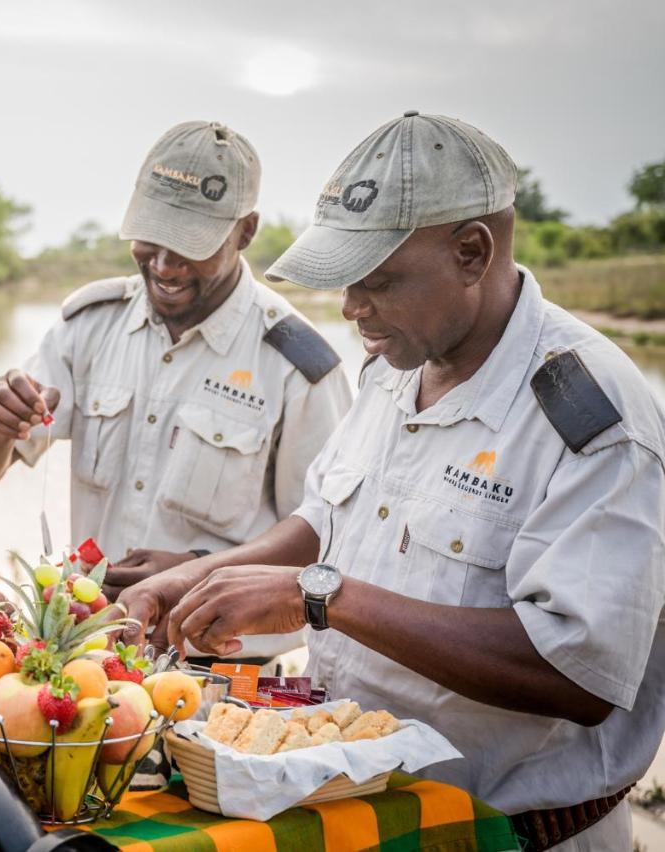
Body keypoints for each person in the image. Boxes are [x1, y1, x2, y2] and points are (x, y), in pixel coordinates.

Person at [120, 111, 665, 850]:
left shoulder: (591, 420)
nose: (350, 310)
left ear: (471, 252)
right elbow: (323, 522)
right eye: (345, 283)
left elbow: (577, 675)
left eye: (377, 281)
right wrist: (204, 577)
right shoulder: (393, 368)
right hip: (365, 820)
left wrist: (318, 598)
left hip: (510, 834)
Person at [0, 120, 352, 653]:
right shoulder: (88, 326)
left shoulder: (297, 364)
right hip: (85, 653)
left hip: (219, 675)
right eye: (152, 239)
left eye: (189, 245)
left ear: (245, 232)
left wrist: (198, 571)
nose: (166, 264)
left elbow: (330, 541)